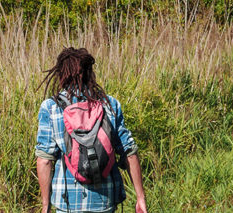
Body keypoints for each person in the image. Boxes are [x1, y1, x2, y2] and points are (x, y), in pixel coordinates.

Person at [35, 47, 148, 213]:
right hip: (104, 201)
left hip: (67, 203)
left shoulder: (51, 107)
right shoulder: (109, 104)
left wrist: (45, 206)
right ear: (90, 73)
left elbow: (45, 159)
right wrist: (140, 198)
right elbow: (129, 152)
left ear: (61, 74)